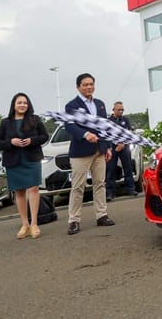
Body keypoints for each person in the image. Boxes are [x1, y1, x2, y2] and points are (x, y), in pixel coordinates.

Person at [64, 73, 115, 235]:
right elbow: (70, 126)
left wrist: (107, 147)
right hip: (80, 152)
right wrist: (85, 134)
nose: (89, 87)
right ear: (78, 86)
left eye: (91, 84)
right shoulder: (71, 105)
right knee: (78, 187)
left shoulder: (100, 104)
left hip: (99, 151)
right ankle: (74, 220)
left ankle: (102, 215)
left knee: (100, 184)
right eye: (85, 84)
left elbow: (104, 127)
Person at [0, 92, 49, 239]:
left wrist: (32, 140)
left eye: (25, 102)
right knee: (19, 192)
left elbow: (44, 136)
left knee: (34, 188)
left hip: (31, 159)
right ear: (14, 105)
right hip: (14, 160)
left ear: (28, 105)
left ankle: (34, 223)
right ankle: (24, 224)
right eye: (19, 102)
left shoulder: (34, 119)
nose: (22, 105)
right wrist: (10, 142)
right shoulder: (6, 123)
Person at [105, 101, 137, 201]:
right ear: (113, 110)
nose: (121, 111)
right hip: (112, 148)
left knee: (128, 167)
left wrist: (122, 143)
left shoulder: (125, 120)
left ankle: (131, 189)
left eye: (122, 109)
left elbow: (128, 133)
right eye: (119, 109)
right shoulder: (108, 121)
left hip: (124, 147)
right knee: (111, 170)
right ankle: (110, 192)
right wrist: (114, 146)